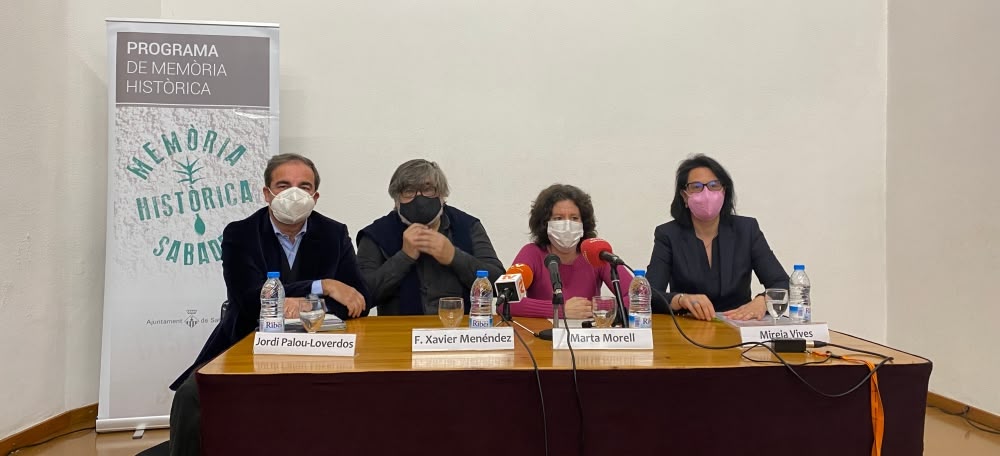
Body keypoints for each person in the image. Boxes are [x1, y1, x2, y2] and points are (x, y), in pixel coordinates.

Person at [167, 153, 369, 456]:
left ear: (314, 197)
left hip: (318, 345)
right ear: (267, 193)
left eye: (304, 186)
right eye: (284, 184)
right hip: (247, 340)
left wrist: (302, 304)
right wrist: (323, 286)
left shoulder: (333, 232)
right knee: (191, 396)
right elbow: (248, 300)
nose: (293, 193)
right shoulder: (240, 234)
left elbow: (357, 300)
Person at [646, 154, 788, 321]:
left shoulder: (747, 230)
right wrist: (680, 299)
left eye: (714, 185)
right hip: (690, 329)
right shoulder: (668, 235)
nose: (706, 193)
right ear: (684, 196)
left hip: (740, 327)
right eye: (696, 187)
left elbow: (783, 284)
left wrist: (763, 301)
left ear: (724, 191)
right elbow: (649, 295)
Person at [357, 159, 504, 315]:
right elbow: (361, 297)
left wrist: (454, 257)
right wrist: (404, 257)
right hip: (401, 334)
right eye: (409, 191)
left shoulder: (468, 226)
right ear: (396, 198)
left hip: (461, 332)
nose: (419, 199)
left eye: (428, 190)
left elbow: (500, 285)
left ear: (441, 193)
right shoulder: (376, 234)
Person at [508, 184, 632, 319]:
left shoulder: (595, 253)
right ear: (545, 223)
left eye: (574, 218)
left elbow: (638, 295)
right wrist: (559, 310)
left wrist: (595, 308)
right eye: (558, 218)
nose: (567, 225)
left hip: (588, 336)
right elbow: (506, 302)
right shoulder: (532, 253)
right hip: (544, 336)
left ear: (583, 222)